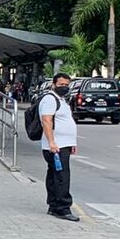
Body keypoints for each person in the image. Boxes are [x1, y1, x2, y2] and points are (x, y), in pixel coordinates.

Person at [40, 73, 79, 221]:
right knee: (62, 176)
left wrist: (72, 143)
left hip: (63, 144)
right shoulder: (50, 99)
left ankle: (54, 205)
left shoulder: (61, 100)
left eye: (66, 85)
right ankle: (63, 208)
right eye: (61, 85)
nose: (64, 87)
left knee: (54, 174)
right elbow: (46, 121)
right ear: (54, 84)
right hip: (56, 145)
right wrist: (51, 142)